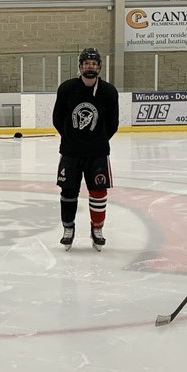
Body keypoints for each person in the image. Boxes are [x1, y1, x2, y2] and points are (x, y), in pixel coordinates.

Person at [52, 46, 119, 250]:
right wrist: (73, 139)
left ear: (99, 67)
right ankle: (68, 228)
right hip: (71, 153)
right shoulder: (67, 88)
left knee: (98, 191)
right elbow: (57, 118)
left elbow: (113, 123)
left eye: (94, 63)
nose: (90, 66)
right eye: (86, 63)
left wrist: (96, 140)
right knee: (68, 191)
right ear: (80, 66)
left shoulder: (108, 91)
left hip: (97, 154)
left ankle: (97, 229)